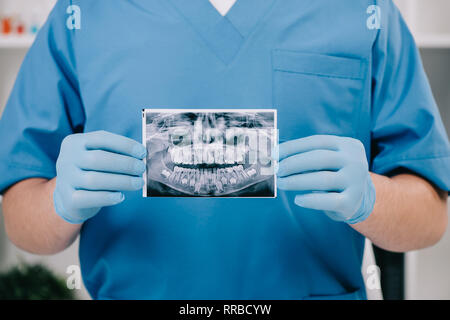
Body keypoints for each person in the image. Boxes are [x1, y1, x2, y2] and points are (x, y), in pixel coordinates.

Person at [0, 0, 449, 300]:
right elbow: (21, 219)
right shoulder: (86, 13)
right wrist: (58, 205)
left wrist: (372, 199)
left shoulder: (363, 11)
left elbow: (430, 218)